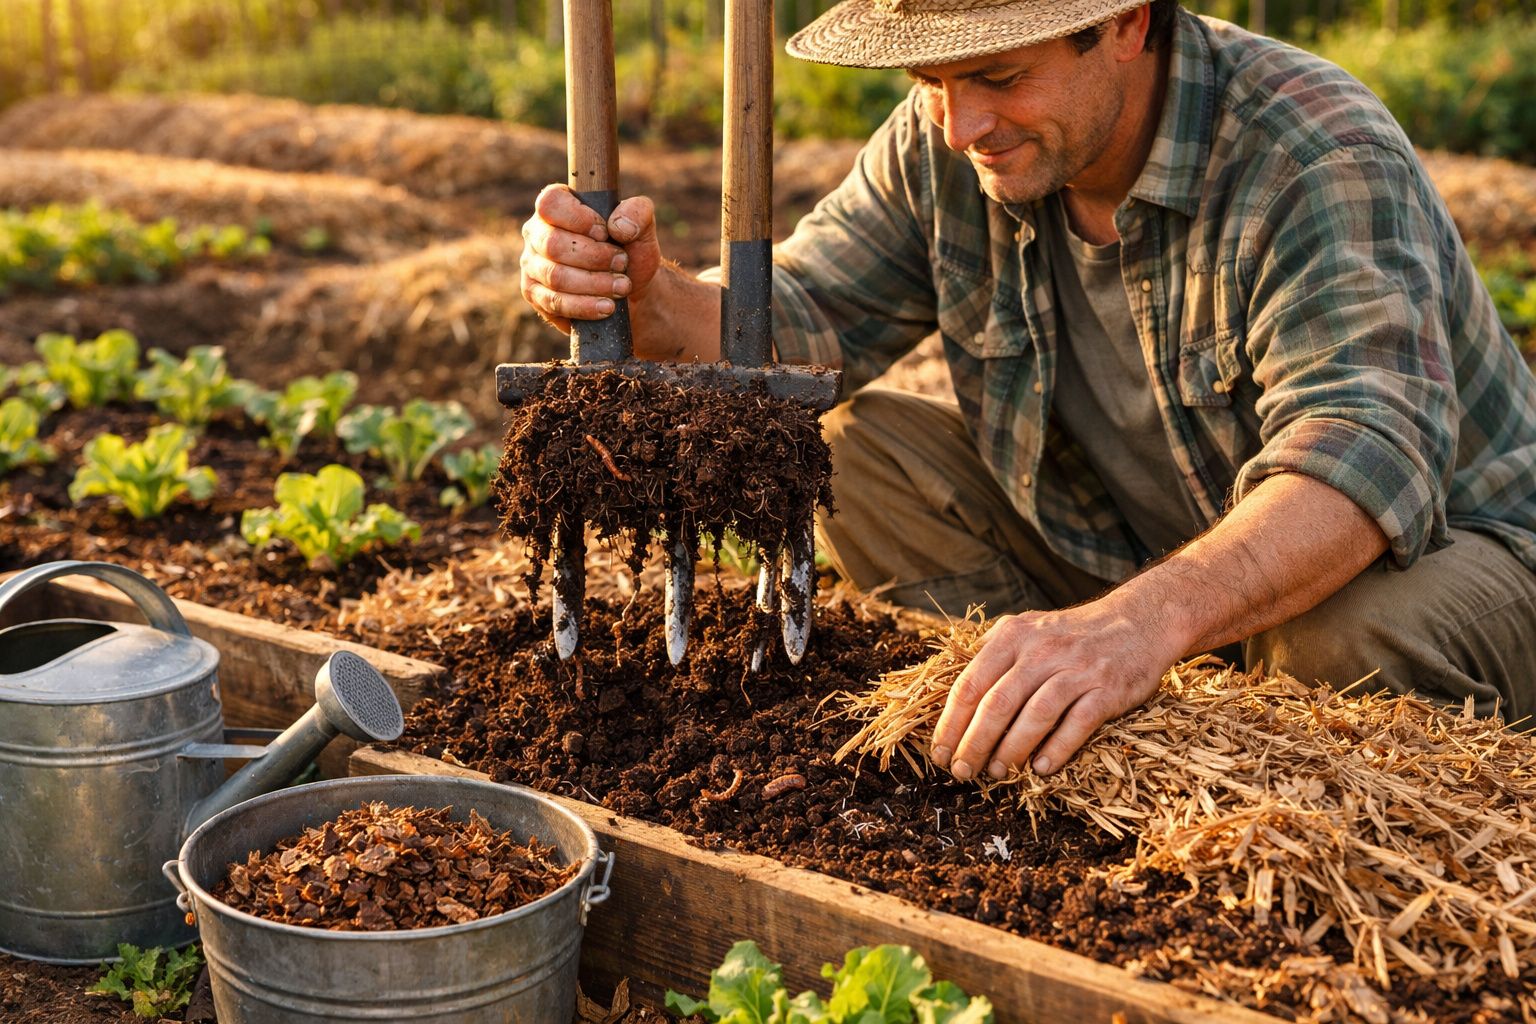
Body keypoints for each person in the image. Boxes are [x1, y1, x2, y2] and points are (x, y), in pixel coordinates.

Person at [517, 0, 1536, 785]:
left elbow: (1360, 458)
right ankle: (1059, 712)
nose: (964, 125)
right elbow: (791, 321)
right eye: (934, 81)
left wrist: (1138, 627)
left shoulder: (1312, 150)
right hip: (1155, 542)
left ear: (1130, 24)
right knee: (863, 454)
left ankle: (1155, 669)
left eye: (1000, 75)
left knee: (1338, 642)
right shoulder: (948, 140)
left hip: (1460, 550)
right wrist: (646, 293)